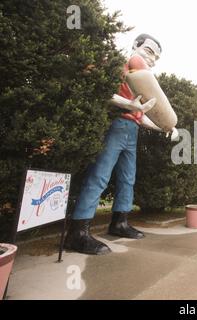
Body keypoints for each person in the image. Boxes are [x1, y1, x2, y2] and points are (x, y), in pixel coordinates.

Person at [65, 34, 173, 255]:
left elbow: (140, 115)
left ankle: (119, 222)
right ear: (135, 46)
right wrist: (129, 104)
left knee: (128, 178)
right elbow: (105, 93)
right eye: (149, 52)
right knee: (100, 175)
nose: (152, 60)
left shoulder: (142, 81)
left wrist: (164, 126)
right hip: (116, 124)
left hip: (131, 130)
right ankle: (78, 232)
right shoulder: (118, 67)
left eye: (156, 58)